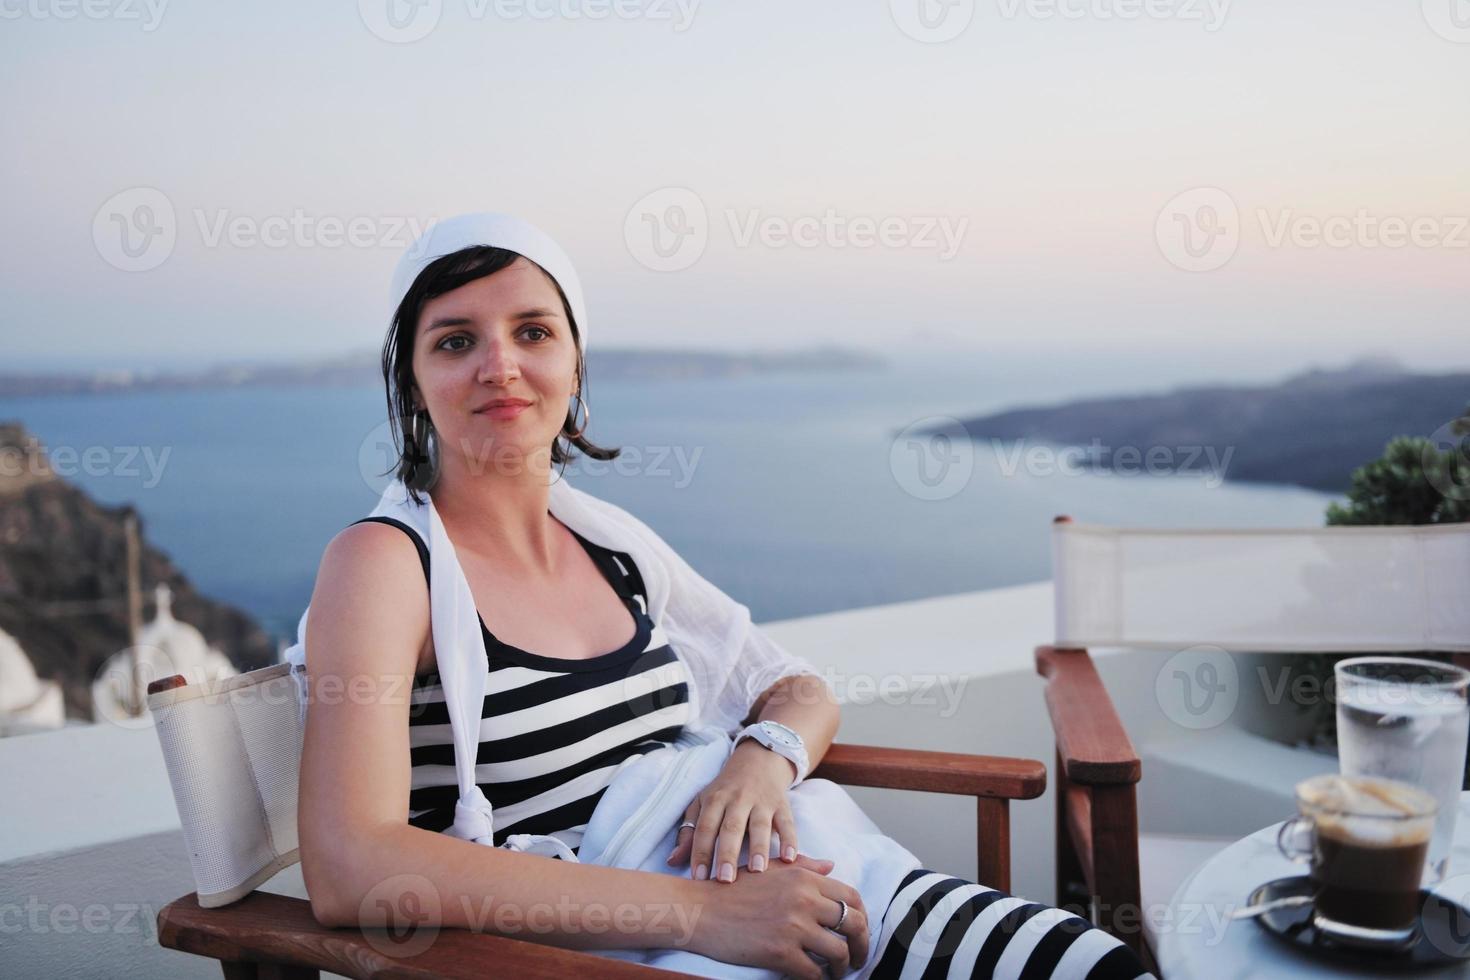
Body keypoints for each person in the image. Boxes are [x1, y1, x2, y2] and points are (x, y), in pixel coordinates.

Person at [296, 213, 1153, 979]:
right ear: (410, 382)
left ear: (573, 362)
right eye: (455, 341)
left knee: (1102, 968)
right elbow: (352, 863)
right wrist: (705, 916)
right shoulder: (384, 565)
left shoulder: (609, 547)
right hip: (622, 951)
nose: (501, 366)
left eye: (533, 332)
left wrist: (758, 762)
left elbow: (795, 688)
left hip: (831, 891)